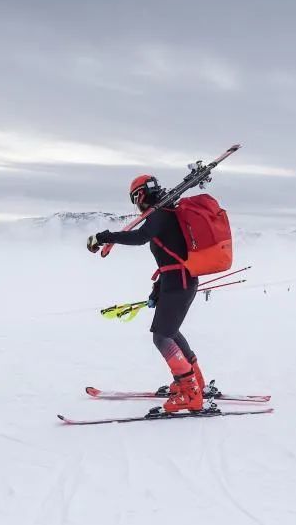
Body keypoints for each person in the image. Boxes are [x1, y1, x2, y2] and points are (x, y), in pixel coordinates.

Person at [87, 175, 206, 413]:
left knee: (161, 336)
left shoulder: (160, 214)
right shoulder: (168, 212)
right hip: (178, 281)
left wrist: (105, 236)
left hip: (179, 283)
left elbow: (141, 237)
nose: (136, 203)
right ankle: (195, 381)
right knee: (170, 332)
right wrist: (159, 287)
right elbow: (171, 254)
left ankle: (191, 392)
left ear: (140, 194)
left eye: (135, 198)